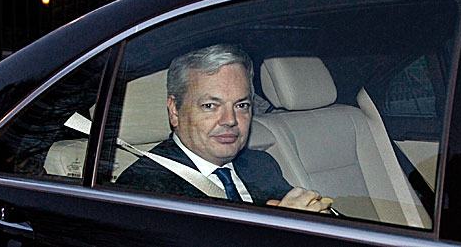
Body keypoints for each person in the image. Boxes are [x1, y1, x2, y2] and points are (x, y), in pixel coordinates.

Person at [116, 44, 332, 212]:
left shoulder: (260, 165)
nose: (230, 120)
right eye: (210, 106)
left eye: (241, 105)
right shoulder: (143, 188)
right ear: (174, 110)